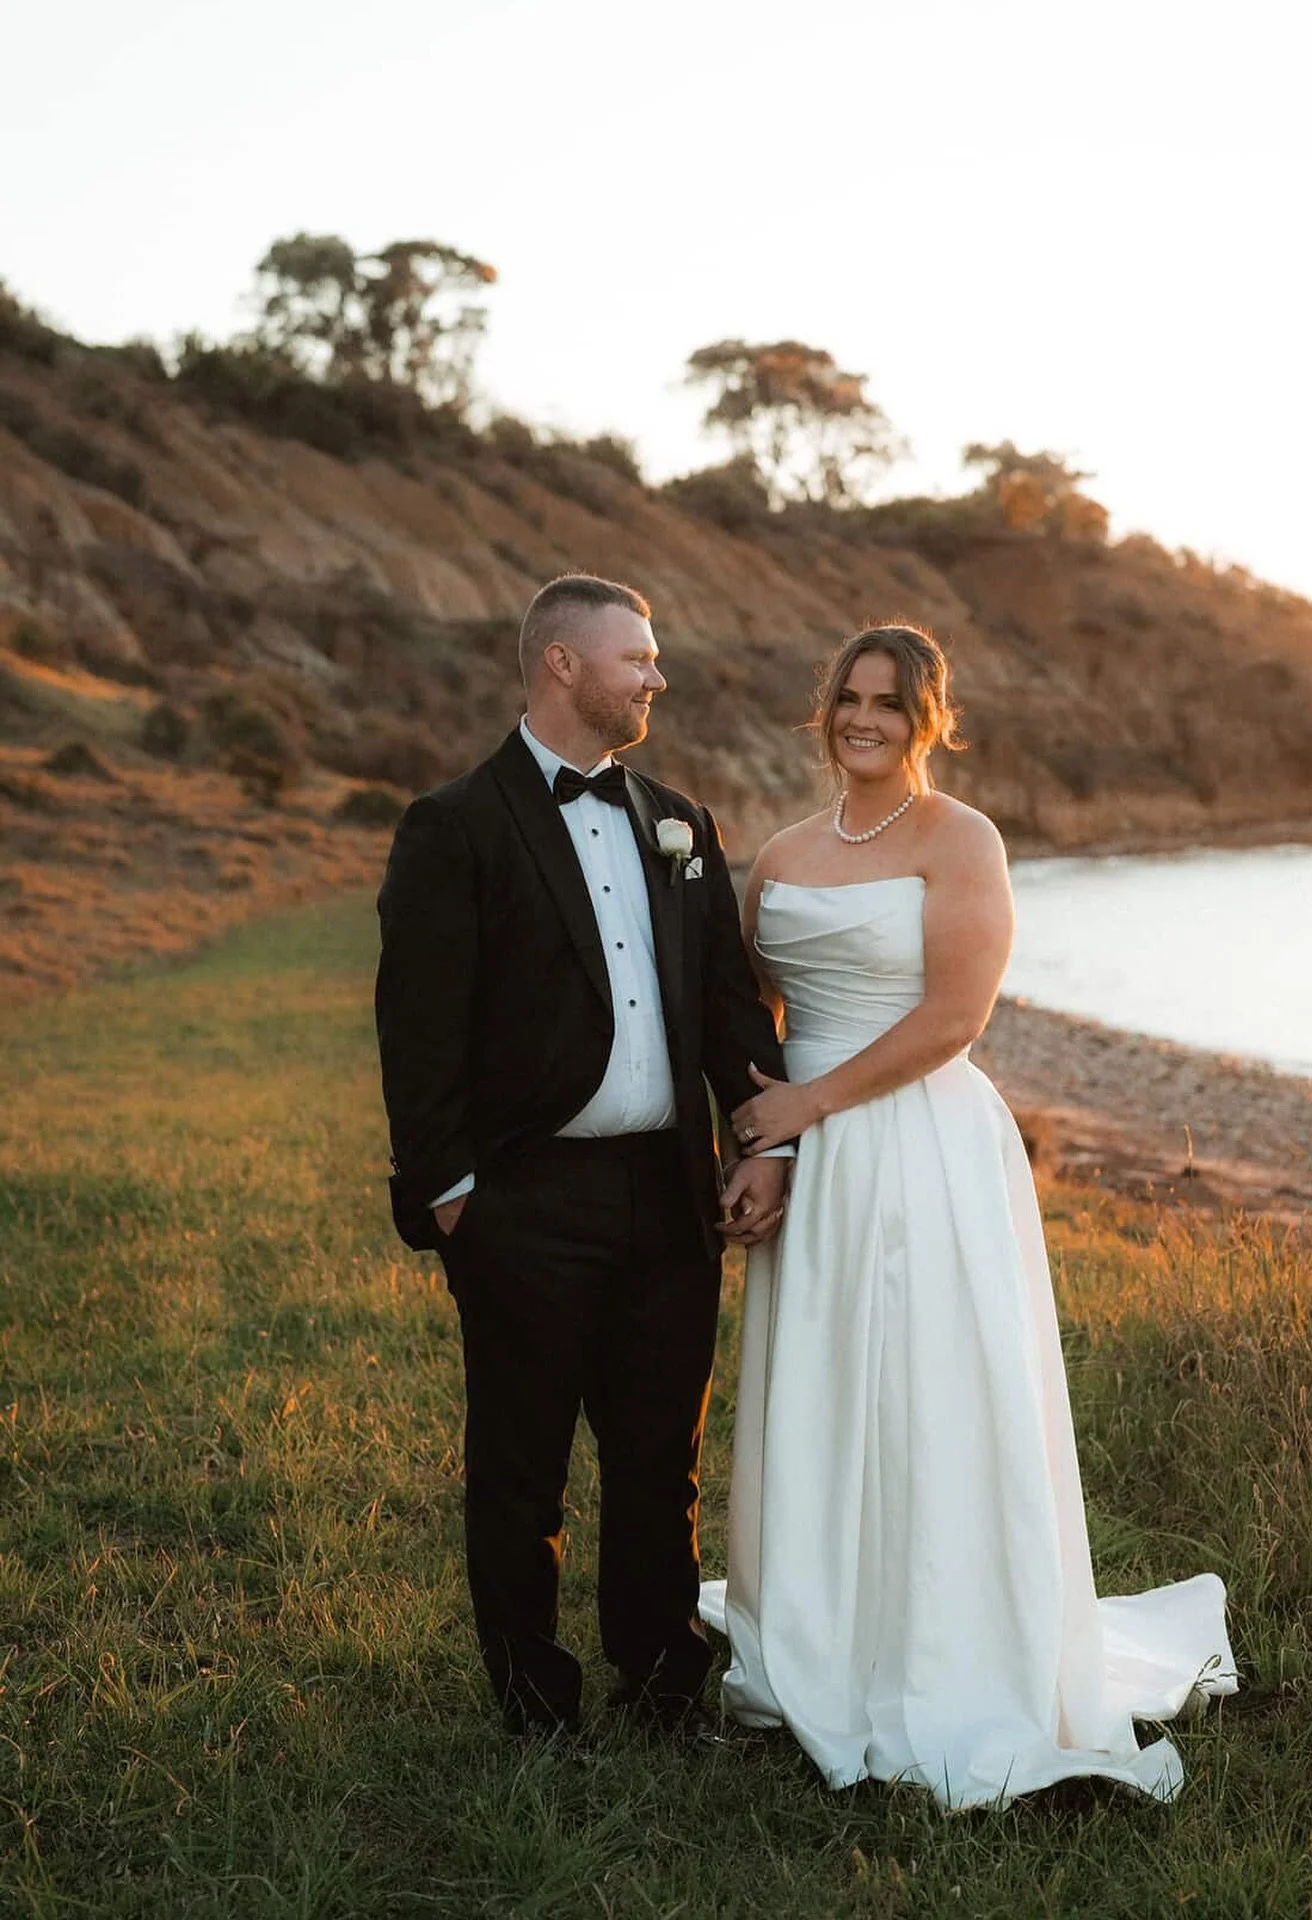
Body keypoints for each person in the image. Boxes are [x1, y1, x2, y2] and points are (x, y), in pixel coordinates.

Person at [698, 624, 1236, 1807]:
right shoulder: (782, 855)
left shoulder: (962, 841)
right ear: (824, 709)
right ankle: (818, 1632)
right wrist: (775, 1142)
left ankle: (948, 1642)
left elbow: (954, 1017)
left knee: (935, 1380)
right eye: (849, 697)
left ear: (928, 719)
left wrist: (812, 1104)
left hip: (924, 1139)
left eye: (891, 703)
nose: (865, 719)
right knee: (825, 1380)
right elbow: (752, 1014)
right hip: (816, 1153)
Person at [375, 573, 791, 1739]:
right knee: (522, 1475)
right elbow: (417, 1035)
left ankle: (665, 1689)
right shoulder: (455, 826)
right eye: (637, 658)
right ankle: (534, 1709)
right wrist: (455, 1201)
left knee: (662, 1464)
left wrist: (765, 1141)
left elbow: (728, 1011)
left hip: (668, 1197)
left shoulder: (681, 819)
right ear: (561, 664)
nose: (656, 677)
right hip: (525, 1203)